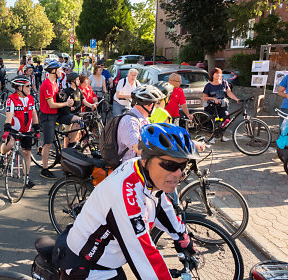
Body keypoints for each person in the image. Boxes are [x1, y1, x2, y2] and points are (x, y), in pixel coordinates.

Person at [57, 123, 198, 280]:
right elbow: (144, 254)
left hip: (109, 262)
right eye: (170, 165)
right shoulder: (125, 193)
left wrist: (181, 235)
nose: (179, 173)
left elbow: (161, 203)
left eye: (183, 165)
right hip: (87, 267)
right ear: (146, 161)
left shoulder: (143, 172)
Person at [0, 75, 40, 189]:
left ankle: (26, 178)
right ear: (19, 87)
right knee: (10, 144)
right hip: (14, 129)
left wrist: (37, 129)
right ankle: (1, 155)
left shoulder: (31, 99)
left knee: (27, 153)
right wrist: (7, 130)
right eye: (27, 86)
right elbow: (9, 116)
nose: (30, 88)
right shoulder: (11, 99)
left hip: (27, 131)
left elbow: (34, 114)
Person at [39, 60, 79, 179]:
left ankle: (71, 145)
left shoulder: (55, 83)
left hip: (57, 114)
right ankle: (44, 169)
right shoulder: (47, 84)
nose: (62, 72)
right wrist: (66, 103)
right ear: (53, 71)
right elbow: (51, 104)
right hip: (48, 116)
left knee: (78, 120)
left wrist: (69, 104)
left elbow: (59, 101)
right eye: (60, 70)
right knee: (48, 143)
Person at [117, 85, 165, 162]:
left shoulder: (143, 119)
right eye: (156, 104)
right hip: (130, 168)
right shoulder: (130, 121)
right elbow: (137, 148)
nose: (157, 108)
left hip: (140, 164)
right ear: (150, 104)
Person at [203, 67, 240, 142]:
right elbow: (205, 97)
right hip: (211, 106)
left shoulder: (224, 83)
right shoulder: (208, 86)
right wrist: (213, 99)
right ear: (212, 75)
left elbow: (229, 93)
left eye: (220, 73)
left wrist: (236, 99)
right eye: (216, 73)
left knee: (226, 119)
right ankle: (212, 137)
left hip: (222, 105)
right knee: (213, 122)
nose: (219, 75)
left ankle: (220, 135)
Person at [61, 72, 96, 147]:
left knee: (77, 132)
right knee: (67, 133)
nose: (79, 82)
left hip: (78, 114)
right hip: (68, 115)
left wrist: (91, 105)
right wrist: (69, 107)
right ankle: (65, 149)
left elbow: (84, 101)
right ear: (72, 81)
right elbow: (63, 103)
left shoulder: (79, 91)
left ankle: (73, 146)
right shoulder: (66, 91)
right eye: (77, 80)